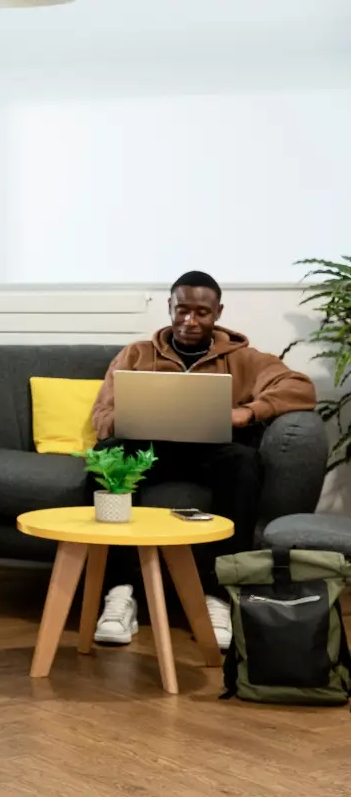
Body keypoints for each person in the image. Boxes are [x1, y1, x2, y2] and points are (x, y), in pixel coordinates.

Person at [88, 270, 316, 650]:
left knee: (244, 464)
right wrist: (126, 418)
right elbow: (101, 416)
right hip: (148, 448)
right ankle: (119, 595)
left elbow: (300, 388)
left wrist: (248, 413)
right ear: (169, 308)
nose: (190, 321)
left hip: (213, 453)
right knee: (106, 463)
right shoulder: (136, 354)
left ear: (218, 312)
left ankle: (216, 597)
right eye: (182, 311)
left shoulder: (246, 359)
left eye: (201, 313)